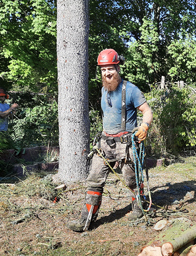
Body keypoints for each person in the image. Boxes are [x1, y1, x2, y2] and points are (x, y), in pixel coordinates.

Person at [67, 49, 153, 232]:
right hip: (105, 142)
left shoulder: (131, 89)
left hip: (126, 144)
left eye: (110, 69)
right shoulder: (103, 90)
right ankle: (86, 220)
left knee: (131, 180)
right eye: (103, 70)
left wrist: (144, 126)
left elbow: (147, 111)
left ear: (118, 67)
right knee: (94, 180)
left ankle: (139, 209)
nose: (107, 73)